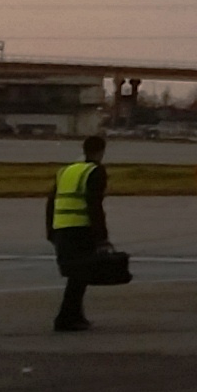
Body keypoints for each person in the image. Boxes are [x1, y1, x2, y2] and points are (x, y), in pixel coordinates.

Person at [46, 134, 108, 332]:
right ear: (101, 151)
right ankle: (65, 317)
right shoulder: (95, 171)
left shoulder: (66, 170)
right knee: (80, 275)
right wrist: (102, 237)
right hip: (81, 228)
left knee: (76, 273)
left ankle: (76, 315)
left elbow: (51, 202)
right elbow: (94, 206)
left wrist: (51, 230)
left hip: (62, 228)